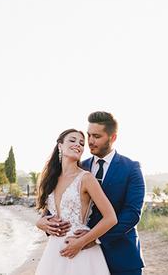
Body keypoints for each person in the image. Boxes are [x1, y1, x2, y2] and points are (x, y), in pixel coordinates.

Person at [37, 112, 146, 275]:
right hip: (76, 252)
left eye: (96, 136)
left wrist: (92, 239)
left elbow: (132, 214)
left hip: (120, 253)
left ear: (112, 138)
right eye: (88, 135)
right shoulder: (80, 167)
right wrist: (42, 223)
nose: (90, 141)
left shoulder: (131, 168)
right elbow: (58, 206)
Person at [35, 128, 117, 275]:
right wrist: (39, 223)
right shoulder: (51, 179)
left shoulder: (86, 178)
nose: (78, 145)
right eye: (72, 140)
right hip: (54, 250)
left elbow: (111, 218)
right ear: (60, 145)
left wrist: (82, 242)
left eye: (81, 143)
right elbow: (48, 214)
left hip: (80, 248)